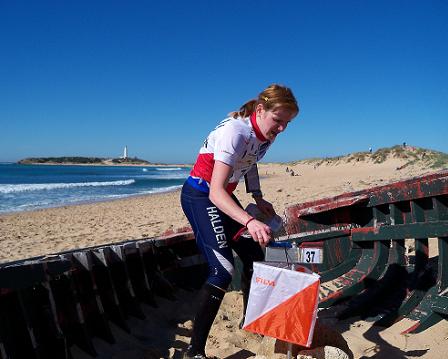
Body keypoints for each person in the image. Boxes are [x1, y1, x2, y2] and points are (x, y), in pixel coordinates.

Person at [180, 84, 299, 358]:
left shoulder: (265, 133)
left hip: (224, 196)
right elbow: (215, 191)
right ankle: (194, 351)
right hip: (200, 195)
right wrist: (249, 221)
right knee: (222, 271)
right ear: (260, 110)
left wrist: (257, 197)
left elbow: (250, 160)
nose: (281, 129)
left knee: (255, 256)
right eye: (278, 121)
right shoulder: (234, 132)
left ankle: (252, 322)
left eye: (287, 124)